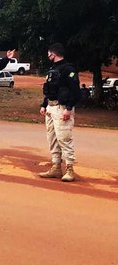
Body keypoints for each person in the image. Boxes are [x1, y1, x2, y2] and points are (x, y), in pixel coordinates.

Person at [38, 42, 80, 182]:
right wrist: (44, 105)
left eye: (49, 54)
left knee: (64, 138)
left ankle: (69, 169)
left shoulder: (69, 69)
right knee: (52, 138)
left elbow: (75, 91)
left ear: (52, 54)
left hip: (62, 108)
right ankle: (56, 167)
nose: (48, 56)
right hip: (51, 107)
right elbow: (49, 89)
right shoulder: (52, 69)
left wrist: (68, 108)